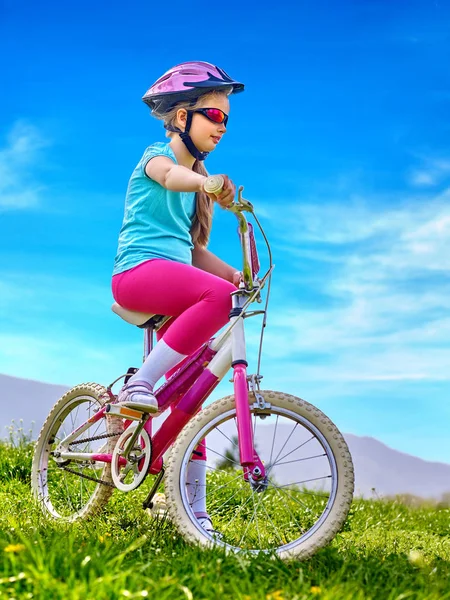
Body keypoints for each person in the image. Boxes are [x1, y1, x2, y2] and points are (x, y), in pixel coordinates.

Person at [112, 61, 244, 412]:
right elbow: (169, 176)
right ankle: (141, 381)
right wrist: (205, 183)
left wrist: (233, 273)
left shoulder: (196, 182)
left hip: (173, 284)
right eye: (214, 115)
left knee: (190, 391)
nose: (222, 127)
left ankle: (149, 454)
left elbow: (193, 251)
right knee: (220, 297)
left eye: (226, 120)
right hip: (136, 273)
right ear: (183, 118)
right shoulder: (157, 157)